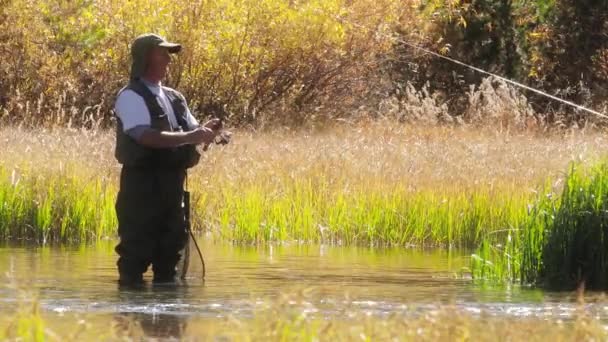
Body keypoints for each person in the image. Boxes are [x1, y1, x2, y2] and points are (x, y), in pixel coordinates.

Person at [113, 33, 222, 286]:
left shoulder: (175, 98)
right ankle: (128, 319)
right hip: (141, 189)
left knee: (170, 254)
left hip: (172, 188)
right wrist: (191, 136)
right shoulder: (130, 96)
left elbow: (192, 133)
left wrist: (209, 132)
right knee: (134, 255)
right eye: (162, 53)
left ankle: (167, 322)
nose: (168, 59)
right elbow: (145, 136)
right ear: (145, 57)